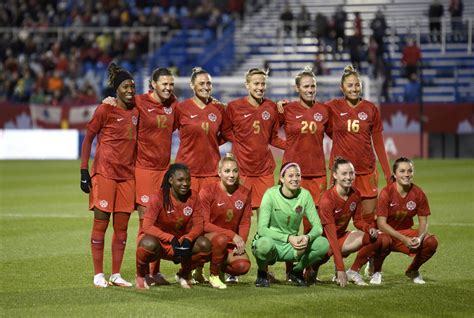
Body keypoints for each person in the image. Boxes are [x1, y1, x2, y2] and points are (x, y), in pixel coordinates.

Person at [102, 67, 178, 286]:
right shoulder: (139, 101)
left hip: (165, 172)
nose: (168, 87)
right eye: (164, 83)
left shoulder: (174, 105)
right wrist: (109, 100)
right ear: (153, 84)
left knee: (163, 223)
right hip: (144, 171)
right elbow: (120, 99)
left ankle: (155, 272)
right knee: (147, 224)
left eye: (171, 84)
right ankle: (140, 274)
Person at [80, 63, 138, 288]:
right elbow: (88, 138)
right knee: (101, 225)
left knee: (122, 228)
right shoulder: (105, 109)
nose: (130, 90)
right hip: (104, 174)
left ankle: (115, 274)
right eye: (125, 86)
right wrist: (84, 170)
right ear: (116, 89)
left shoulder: (137, 111)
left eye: (132, 86)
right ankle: (98, 274)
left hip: (127, 177)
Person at [276, 66, 331, 279]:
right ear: (297, 88)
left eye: (313, 86)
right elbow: (268, 130)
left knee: (313, 225)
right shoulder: (286, 109)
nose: (310, 89)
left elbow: (339, 136)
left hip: (317, 174)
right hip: (292, 174)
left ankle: (308, 269)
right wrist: (288, 147)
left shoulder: (324, 111)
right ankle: (290, 271)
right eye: (306, 86)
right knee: (290, 222)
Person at [326, 65, 391, 224]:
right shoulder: (332, 107)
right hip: (340, 173)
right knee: (334, 219)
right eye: (350, 85)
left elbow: (379, 145)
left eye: (357, 84)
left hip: (366, 171)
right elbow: (313, 114)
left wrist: (388, 175)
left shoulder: (371, 109)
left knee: (367, 221)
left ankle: (365, 248)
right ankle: (335, 248)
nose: (354, 88)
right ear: (342, 88)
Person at [312, 157, 391, 286]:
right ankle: (309, 268)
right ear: (335, 175)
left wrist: (368, 228)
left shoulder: (355, 194)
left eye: (351, 173)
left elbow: (358, 220)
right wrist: (340, 268)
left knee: (380, 238)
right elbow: (330, 235)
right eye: (344, 173)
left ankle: (353, 271)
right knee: (312, 270)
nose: (348, 177)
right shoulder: (327, 200)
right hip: (323, 240)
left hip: (340, 237)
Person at [251, 162, 329, 287]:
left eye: (298, 175)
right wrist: (288, 237)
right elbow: (262, 230)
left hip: (292, 246)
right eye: (290, 175)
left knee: (323, 244)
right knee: (263, 245)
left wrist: (307, 237)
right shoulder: (270, 195)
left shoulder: (305, 195)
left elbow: (318, 227)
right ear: (282, 179)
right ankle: (261, 273)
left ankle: (296, 272)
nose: (295, 179)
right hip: (272, 243)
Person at [135, 163, 212, 289]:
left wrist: (188, 239)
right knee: (147, 243)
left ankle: (184, 274)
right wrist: (170, 238)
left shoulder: (194, 196)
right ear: (171, 180)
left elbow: (199, 225)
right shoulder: (158, 197)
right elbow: (147, 226)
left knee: (205, 246)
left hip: (182, 243)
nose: (185, 183)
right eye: (180, 180)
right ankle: (141, 276)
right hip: (162, 245)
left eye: (188, 180)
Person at [222, 68, 286, 211]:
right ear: (247, 85)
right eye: (256, 84)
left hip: (264, 170)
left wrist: (294, 146)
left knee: (267, 212)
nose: (260, 87)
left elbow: (273, 138)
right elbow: (226, 131)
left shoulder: (271, 107)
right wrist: (241, 140)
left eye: (263, 84)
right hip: (241, 169)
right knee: (240, 212)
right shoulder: (234, 107)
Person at [376, 157, 438, 284]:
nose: (406, 174)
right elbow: (381, 224)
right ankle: (376, 271)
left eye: (409, 171)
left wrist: (420, 239)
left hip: (406, 234)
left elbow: (423, 222)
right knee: (383, 241)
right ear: (394, 174)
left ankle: (412, 270)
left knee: (431, 242)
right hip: (387, 235)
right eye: (402, 171)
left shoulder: (418, 193)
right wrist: (404, 239)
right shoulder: (386, 193)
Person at [197, 153, 252, 289]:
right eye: (227, 171)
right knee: (220, 239)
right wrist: (232, 234)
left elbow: (245, 222)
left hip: (229, 242)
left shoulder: (244, 193)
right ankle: (205, 272)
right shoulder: (208, 191)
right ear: (219, 172)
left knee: (242, 266)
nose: (231, 175)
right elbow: (204, 224)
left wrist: (241, 242)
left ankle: (220, 267)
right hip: (207, 240)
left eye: (235, 171)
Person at [175, 67, 229, 194]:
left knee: (211, 212)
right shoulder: (181, 108)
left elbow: (227, 134)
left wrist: (212, 142)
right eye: (201, 83)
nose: (206, 87)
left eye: (208, 83)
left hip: (212, 171)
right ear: (192, 85)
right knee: (186, 212)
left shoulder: (219, 108)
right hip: (187, 170)